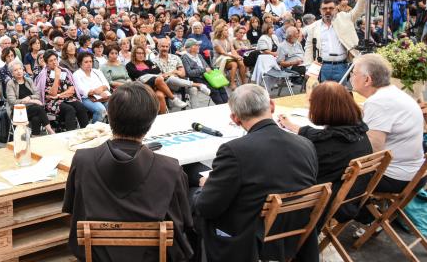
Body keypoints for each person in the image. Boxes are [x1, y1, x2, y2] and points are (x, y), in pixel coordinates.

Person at [63, 82, 194, 261]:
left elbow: (72, 210)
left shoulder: (83, 160)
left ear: (108, 115)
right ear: (152, 120)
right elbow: (184, 223)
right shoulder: (171, 169)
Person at [193, 84, 318, 262]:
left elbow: (207, 208)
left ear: (235, 119)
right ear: (272, 106)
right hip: (294, 234)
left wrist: (205, 187)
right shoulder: (305, 144)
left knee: (193, 198)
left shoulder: (234, 151)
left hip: (250, 240)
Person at [277, 82, 372, 221]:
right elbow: (325, 136)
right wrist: (293, 127)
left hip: (320, 203)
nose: (310, 108)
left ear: (323, 109)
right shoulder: (356, 130)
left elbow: (295, 173)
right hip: (350, 197)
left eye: (312, 104)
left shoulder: (328, 146)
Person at [349, 54, 425, 197]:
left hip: (396, 177)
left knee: (332, 169)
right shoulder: (393, 93)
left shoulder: (379, 101)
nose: (352, 77)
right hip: (415, 173)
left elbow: (371, 151)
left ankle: (350, 213)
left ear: (367, 79)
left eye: (354, 73)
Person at [303, 0, 365, 83]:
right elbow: (309, 47)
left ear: (336, 9)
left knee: (340, 94)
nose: (328, 11)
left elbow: (359, 9)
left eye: (331, 8)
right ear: (320, 11)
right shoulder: (314, 27)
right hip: (321, 67)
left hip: (342, 66)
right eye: (324, 9)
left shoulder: (345, 18)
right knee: (322, 94)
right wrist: (308, 67)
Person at [35, 51, 89, 132]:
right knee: (70, 109)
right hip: (52, 102)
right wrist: (57, 76)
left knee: (81, 107)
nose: (54, 62)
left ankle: (86, 132)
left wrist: (59, 95)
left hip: (66, 98)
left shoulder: (64, 71)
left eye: (55, 59)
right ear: (46, 63)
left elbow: (72, 90)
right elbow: (53, 93)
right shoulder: (44, 75)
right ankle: (70, 136)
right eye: (51, 61)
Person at [126, 46, 189, 112]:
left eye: (142, 53)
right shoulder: (130, 65)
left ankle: (163, 116)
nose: (141, 55)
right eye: (138, 53)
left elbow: (157, 70)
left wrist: (145, 72)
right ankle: (173, 99)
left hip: (155, 85)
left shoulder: (147, 62)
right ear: (134, 54)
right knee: (159, 79)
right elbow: (137, 74)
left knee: (160, 95)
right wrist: (150, 71)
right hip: (142, 86)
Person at [5, 61, 54, 135]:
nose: (19, 71)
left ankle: (35, 138)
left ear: (23, 70)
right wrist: (32, 101)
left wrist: (29, 98)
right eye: (15, 70)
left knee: (36, 118)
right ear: (12, 73)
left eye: (20, 69)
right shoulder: (10, 84)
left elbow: (37, 95)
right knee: (39, 109)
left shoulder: (29, 80)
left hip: (32, 110)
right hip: (18, 111)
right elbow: (12, 102)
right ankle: (50, 131)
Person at [72, 53, 110, 124]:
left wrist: (101, 89)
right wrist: (96, 92)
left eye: (90, 61)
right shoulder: (76, 74)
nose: (89, 64)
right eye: (86, 62)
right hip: (86, 98)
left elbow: (106, 84)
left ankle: (109, 128)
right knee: (101, 110)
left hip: (102, 96)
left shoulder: (97, 72)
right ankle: (93, 129)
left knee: (114, 105)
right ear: (80, 63)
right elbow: (81, 90)